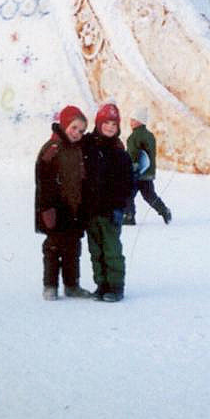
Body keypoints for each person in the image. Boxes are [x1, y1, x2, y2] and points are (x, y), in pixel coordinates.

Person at [34, 105, 93, 300]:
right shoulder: (52, 149)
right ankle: (50, 285)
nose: (77, 133)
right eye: (74, 127)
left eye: (81, 130)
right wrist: (47, 209)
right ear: (65, 124)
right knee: (53, 248)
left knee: (73, 248)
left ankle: (72, 284)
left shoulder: (77, 149)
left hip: (74, 208)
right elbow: (43, 181)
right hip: (55, 209)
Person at [84, 101, 133, 302]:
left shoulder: (120, 152)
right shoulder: (87, 145)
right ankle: (101, 284)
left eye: (114, 124)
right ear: (98, 123)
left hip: (110, 211)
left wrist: (121, 207)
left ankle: (115, 286)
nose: (110, 128)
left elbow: (128, 183)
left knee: (112, 250)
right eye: (106, 123)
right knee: (95, 250)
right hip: (90, 210)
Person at [122, 108, 173, 225]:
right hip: (148, 173)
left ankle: (129, 216)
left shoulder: (133, 137)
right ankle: (164, 211)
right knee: (149, 195)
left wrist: (128, 168)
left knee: (127, 194)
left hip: (136, 172)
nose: (131, 122)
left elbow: (132, 154)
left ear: (140, 121)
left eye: (133, 120)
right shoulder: (150, 136)